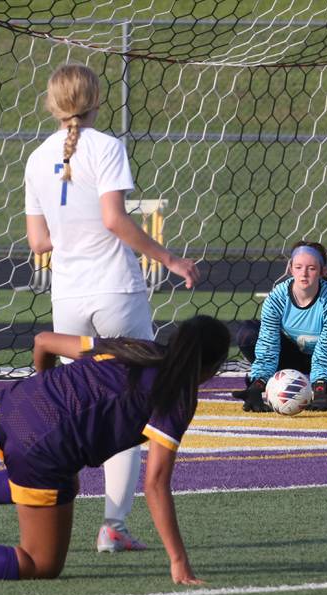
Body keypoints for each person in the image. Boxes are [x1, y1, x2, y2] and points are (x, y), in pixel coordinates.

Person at [0, 315, 230, 583]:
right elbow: (155, 484)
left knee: (57, 483)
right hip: (41, 444)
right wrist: (179, 561)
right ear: (211, 370)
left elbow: (43, 342)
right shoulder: (178, 395)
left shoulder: (135, 347)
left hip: (14, 408)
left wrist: (45, 391)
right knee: (40, 563)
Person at [24, 64, 200, 552]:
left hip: (69, 297)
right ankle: (113, 526)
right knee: (132, 408)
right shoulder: (106, 147)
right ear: (95, 99)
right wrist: (169, 258)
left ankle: (49, 517)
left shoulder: (37, 158)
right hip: (116, 291)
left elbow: (39, 240)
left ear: (53, 103)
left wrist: (70, 241)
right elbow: (114, 219)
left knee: (76, 409)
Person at [233, 240, 327, 412]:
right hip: (296, 351)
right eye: (298, 267)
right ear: (291, 269)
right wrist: (258, 384)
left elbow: (326, 350)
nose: (304, 274)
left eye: (311, 268)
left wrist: (321, 389)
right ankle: (269, 384)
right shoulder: (276, 298)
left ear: (323, 272)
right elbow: (268, 344)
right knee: (248, 334)